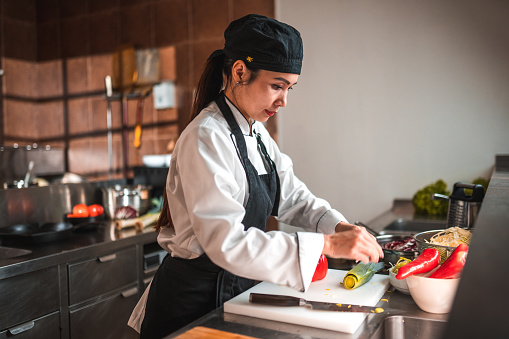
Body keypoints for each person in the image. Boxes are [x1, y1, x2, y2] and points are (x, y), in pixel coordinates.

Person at [128, 14, 383, 338]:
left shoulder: (258, 136)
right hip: (191, 307)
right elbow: (226, 241)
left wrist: (340, 226)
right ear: (239, 72)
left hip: (235, 293)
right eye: (277, 86)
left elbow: (295, 199)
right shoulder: (206, 137)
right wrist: (328, 244)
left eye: (290, 88)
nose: (284, 100)